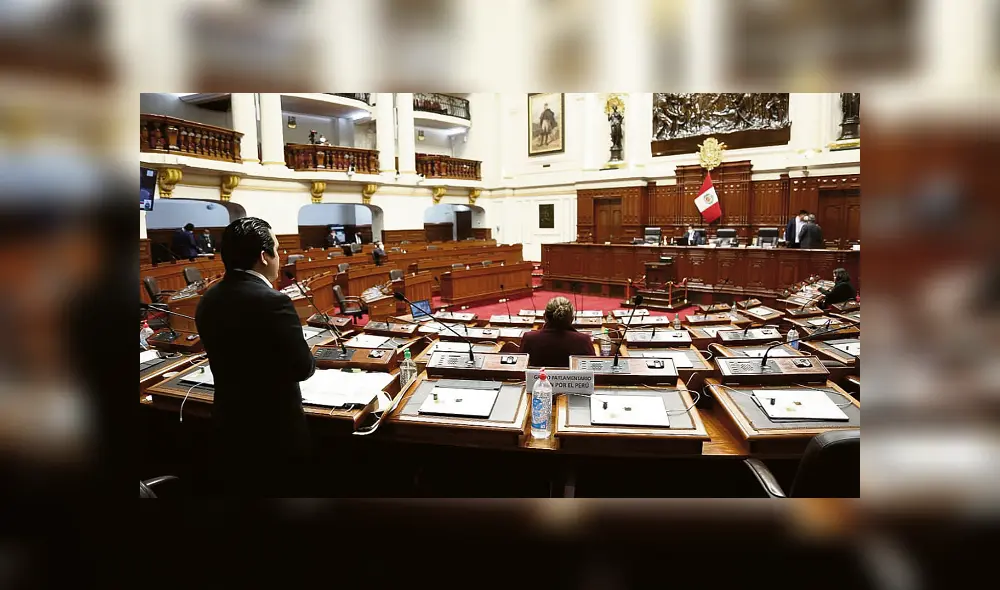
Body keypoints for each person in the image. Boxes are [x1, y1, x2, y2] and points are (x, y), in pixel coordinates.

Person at [195, 217, 316, 496]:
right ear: (264, 256)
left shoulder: (208, 299)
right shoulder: (274, 301)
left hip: (229, 427)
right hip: (275, 435)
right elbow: (302, 368)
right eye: (276, 249)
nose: (279, 257)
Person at [521, 296, 595, 367]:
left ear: (544, 317)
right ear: (572, 318)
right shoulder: (583, 341)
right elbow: (592, 370)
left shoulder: (529, 338)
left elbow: (521, 366)